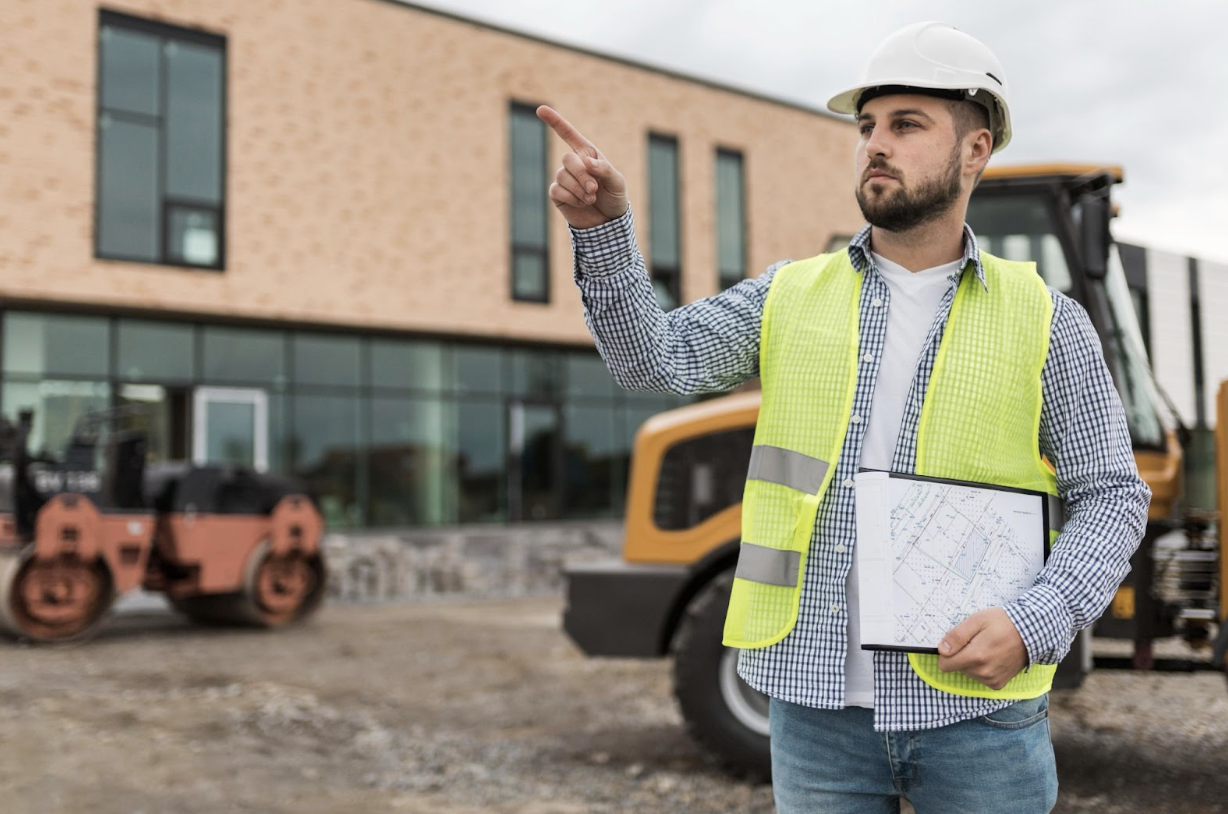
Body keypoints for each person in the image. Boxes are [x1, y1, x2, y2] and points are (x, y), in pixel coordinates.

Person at [539, 21, 1149, 814]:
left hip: (979, 717)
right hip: (813, 709)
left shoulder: (1046, 320)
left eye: (905, 125)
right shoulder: (789, 294)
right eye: (866, 127)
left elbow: (1112, 494)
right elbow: (654, 359)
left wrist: (1040, 619)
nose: (874, 145)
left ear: (975, 151)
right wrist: (602, 234)